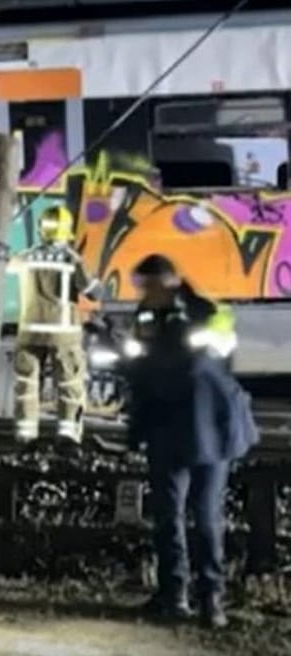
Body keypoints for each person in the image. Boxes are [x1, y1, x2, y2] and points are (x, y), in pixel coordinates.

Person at [123, 254, 258, 629]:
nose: (143, 294)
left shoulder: (207, 312)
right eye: (140, 287)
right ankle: (175, 595)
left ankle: (209, 599)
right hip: (175, 428)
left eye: (148, 286)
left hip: (206, 426)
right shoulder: (147, 316)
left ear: (168, 281)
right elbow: (142, 371)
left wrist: (150, 358)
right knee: (169, 516)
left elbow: (195, 366)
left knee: (204, 516)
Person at [10, 206, 96, 444]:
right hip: (64, 334)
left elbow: (5, 265)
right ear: (66, 231)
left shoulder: (26, 257)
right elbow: (92, 292)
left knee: (26, 383)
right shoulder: (71, 259)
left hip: (29, 332)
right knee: (69, 382)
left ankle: (26, 433)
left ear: (41, 229)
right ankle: (67, 433)